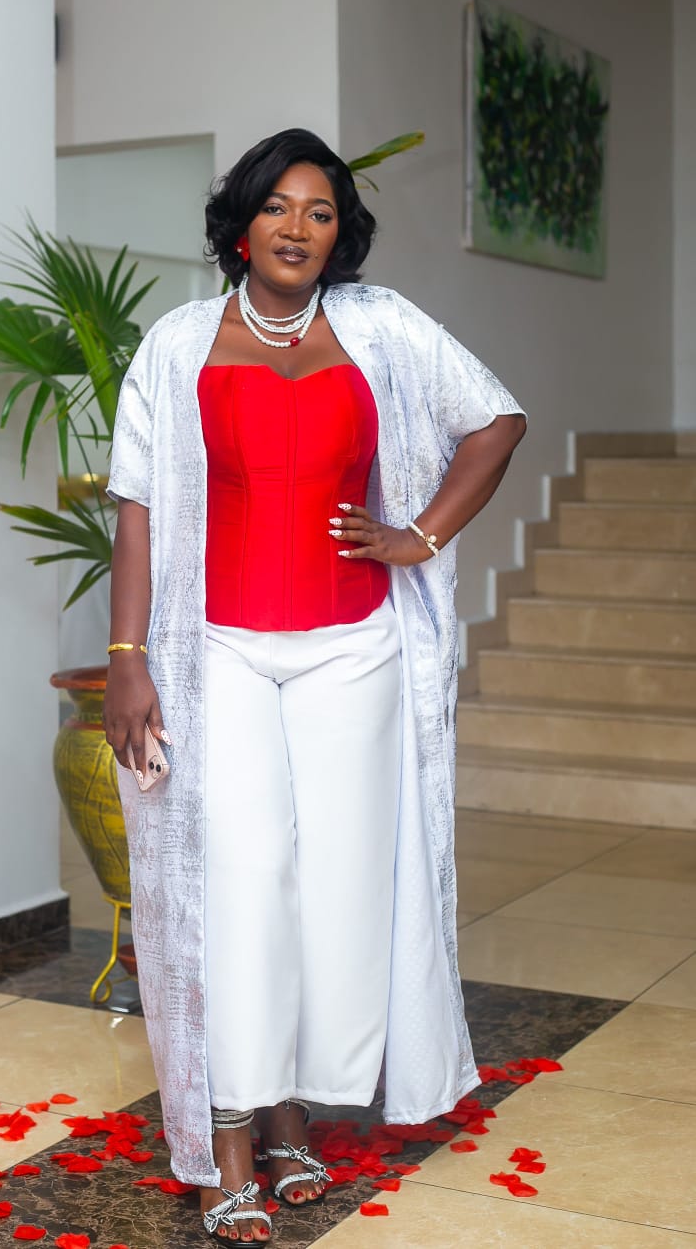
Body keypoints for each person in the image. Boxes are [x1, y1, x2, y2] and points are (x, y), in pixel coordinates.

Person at [103, 127, 526, 1243]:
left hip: (356, 648)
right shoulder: (180, 343)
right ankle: (230, 1133)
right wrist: (128, 658)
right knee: (243, 876)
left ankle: (294, 1106)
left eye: (321, 211)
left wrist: (419, 534)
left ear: (342, 233)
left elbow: (497, 419)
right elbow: (139, 508)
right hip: (222, 651)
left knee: (337, 883)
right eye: (278, 207)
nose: (298, 227)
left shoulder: (382, 327)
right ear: (241, 226)